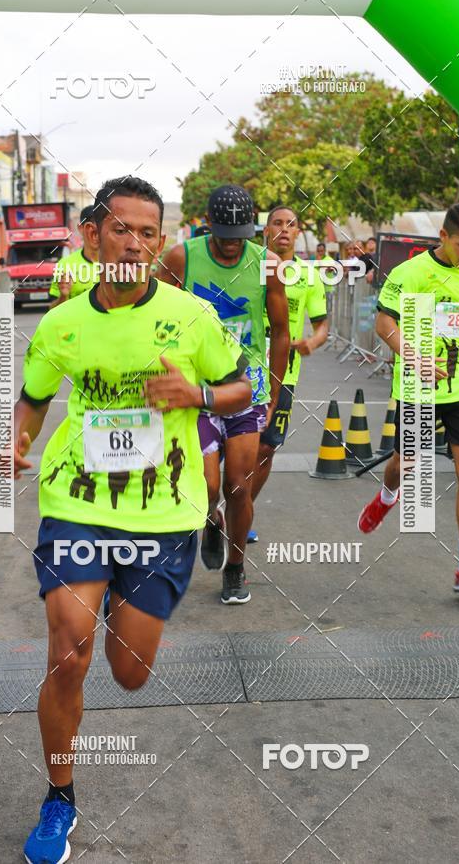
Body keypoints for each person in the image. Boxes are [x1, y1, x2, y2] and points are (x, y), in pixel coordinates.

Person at [14, 175, 251, 864]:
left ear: (161, 243)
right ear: (92, 236)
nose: (136, 243)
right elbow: (32, 397)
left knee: (129, 672)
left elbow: (241, 387)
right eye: (122, 228)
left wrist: (199, 391)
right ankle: (59, 797)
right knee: (68, 649)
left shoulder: (191, 316)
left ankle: (123, 595)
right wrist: (18, 440)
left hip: (164, 509)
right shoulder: (62, 323)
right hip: (78, 501)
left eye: (150, 232)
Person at [358, 202, 459, 596]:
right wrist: (414, 355)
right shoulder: (411, 274)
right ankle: (388, 496)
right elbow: (384, 323)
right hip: (419, 386)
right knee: (406, 465)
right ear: (442, 237)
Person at [159, 184, 289, 604]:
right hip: (198, 387)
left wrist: (274, 391)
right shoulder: (182, 257)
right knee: (208, 485)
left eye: (241, 237)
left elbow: (282, 331)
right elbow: (154, 314)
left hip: (245, 386)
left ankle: (236, 568)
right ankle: (210, 518)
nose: (232, 247)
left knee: (239, 485)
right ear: (208, 227)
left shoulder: (267, 263)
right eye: (224, 237)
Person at [249, 206, 328, 534]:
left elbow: (323, 325)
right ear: (266, 230)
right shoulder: (249, 265)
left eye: (290, 225)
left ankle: (242, 511)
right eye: (277, 224)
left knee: (267, 447)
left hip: (283, 375)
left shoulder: (308, 275)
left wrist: (313, 341)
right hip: (243, 369)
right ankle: (214, 507)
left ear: (298, 232)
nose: (284, 229)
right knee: (230, 446)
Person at [49, 205, 100, 307]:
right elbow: (52, 310)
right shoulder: (65, 265)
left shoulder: (118, 265)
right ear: (81, 228)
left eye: (100, 229)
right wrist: (63, 296)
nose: (95, 235)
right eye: (91, 229)